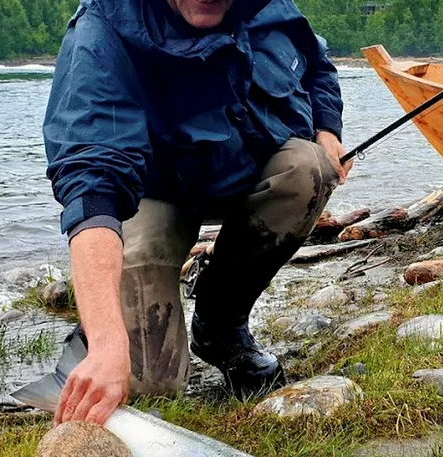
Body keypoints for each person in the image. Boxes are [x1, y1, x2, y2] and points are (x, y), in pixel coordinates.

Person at [42, 0, 350, 426]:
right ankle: (100, 331)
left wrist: (327, 129)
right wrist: (110, 342)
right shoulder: (103, 27)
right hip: (153, 193)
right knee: (151, 386)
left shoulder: (274, 9)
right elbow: (93, 189)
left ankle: (220, 327)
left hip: (243, 172)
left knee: (309, 168)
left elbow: (317, 65)